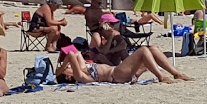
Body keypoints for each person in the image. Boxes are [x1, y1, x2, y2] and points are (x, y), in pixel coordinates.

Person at [55, 43, 192, 85]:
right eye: (67, 68)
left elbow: (76, 53)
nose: (68, 66)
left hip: (123, 73)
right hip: (117, 75)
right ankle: (161, 77)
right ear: (67, 76)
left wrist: (62, 68)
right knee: (143, 51)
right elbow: (71, 56)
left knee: (153, 49)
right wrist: (59, 70)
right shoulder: (80, 76)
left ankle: (176, 74)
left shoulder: (83, 68)